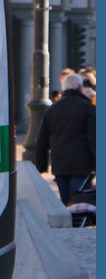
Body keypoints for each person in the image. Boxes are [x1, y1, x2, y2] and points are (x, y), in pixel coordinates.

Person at [36, 72, 96, 204]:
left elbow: (42, 140)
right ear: (80, 88)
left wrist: (41, 166)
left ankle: (69, 222)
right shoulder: (89, 108)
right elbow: (94, 139)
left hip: (60, 165)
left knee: (65, 202)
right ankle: (77, 223)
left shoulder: (52, 110)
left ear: (64, 88)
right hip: (82, 165)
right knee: (80, 200)